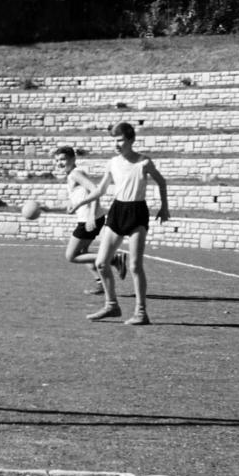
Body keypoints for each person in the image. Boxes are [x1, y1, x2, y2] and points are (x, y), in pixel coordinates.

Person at [68, 122, 170, 325]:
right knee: (101, 262)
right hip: (117, 211)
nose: (117, 144)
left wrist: (164, 207)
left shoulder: (143, 162)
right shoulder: (112, 163)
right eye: (114, 141)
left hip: (137, 212)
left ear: (131, 140)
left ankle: (141, 312)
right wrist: (81, 202)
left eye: (120, 140)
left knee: (134, 265)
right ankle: (111, 305)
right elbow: (101, 190)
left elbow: (161, 181)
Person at [52, 145, 126, 295]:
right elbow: (84, 194)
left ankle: (114, 260)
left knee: (71, 256)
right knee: (83, 252)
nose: (59, 163)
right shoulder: (72, 174)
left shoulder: (75, 174)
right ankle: (100, 282)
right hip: (89, 218)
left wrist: (91, 215)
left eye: (63, 159)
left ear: (73, 159)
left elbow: (95, 190)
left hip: (89, 220)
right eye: (57, 160)